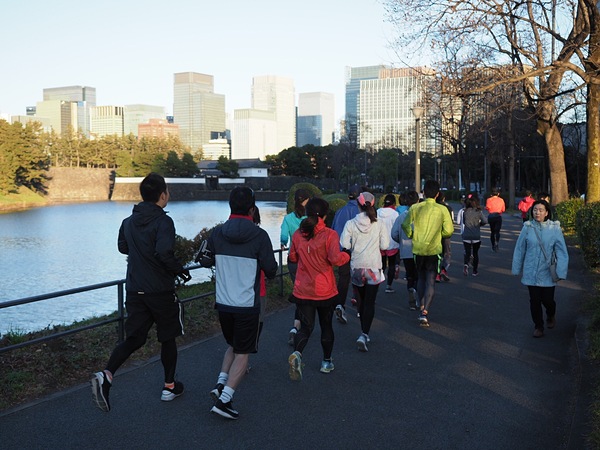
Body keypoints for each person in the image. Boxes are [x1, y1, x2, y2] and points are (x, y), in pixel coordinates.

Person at [91, 173, 190, 413]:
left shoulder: (128, 221)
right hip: (160, 290)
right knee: (167, 337)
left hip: (135, 289)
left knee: (134, 338)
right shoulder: (163, 221)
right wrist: (180, 270)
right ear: (163, 194)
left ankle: (107, 374)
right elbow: (164, 252)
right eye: (167, 191)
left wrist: (140, 252)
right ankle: (169, 386)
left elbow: (122, 247)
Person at [199, 186, 278, 420]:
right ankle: (225, 401)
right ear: (252, 209)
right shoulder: (259, 235)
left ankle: (221, 385)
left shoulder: (217, 233)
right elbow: (272, 270)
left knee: (233, 345)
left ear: (230, 206)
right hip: (247, 304)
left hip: (223, 303)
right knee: (243, 352)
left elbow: (204, 260)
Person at [287, 198, 350, 381]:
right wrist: (347, 255)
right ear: (324, 214)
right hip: (324, 290)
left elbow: (292, 256)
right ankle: (326, 362)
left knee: (306, 327)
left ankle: (297, 354)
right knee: (326, 326)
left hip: (303, 290)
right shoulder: (330, 235)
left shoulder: (299, 234)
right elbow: (335, 259)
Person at [340, 192, 390, 352]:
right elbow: (385, 246)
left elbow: (343, 244)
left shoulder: (350, 223)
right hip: (373, 267)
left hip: (357, 267)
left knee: (360, 300)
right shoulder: (379, 224)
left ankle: (363, 330)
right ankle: (364, 334)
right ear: (373, 204)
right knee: (370, 302)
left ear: (358, 204)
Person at [512, 200, 569, 337]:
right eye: (535, 210)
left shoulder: (554, 228)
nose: (537, 212)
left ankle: (550, 315)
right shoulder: (527, 227)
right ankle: (538, 326)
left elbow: (561, 251)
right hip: (531, 270)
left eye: (541, 210)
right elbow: (520, 249)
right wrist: (516, 268)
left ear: (547, 212)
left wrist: (561, 271)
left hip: (547, 271)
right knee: (535, 300)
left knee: (548, 300)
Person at [401, 180, 454, 327]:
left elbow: (405, 224)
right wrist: (440, 233)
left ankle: (421, 305)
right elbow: (449, 231)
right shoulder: (442, 210)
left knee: (420, 279)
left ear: (423, 192)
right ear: (437, 194)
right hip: (433, 249)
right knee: (431, 280)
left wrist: (412, 234)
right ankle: (425, 312)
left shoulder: (416, 208)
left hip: (418, 249)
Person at [280, 188, 311, 345]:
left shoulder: (288, 218)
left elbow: (284, 236)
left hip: (294, 260)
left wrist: (283, 243)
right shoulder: (310, 218)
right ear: (306, 201)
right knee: (307, 294)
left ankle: (295, 326)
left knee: (298, 292)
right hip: (309, 260)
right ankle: (300, 325)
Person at [331, 185, 361, 324]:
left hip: (341, 248)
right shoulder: (361, 212)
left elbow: (333, 230)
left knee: (343, 278)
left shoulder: (339, 211)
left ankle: (339, 304)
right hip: (357, 250)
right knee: (359, 278)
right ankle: (360, 308)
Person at [391, 190, 420, 310]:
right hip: (420, 250)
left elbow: (394, 234)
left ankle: (410, 291)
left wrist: (401, 241)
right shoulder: (422, 216)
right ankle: (418, 296)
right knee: (419, 274)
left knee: (410, 274)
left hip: (406, 250)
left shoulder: (401, 217)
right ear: (418, 201)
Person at [456, 194, 488, 277]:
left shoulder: (465, 212)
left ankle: (466, 265)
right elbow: (485, 221)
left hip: (466, 235)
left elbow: (463, 222)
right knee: (475, 253)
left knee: (467, 252)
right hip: (476, 235)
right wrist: (479, 224)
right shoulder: (479, 212)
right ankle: (475, 271)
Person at [377, 194, 400, 293]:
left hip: (380, 243)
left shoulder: (378, 212)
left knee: (381, 265)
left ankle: (376, 282)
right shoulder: (395, 214)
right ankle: (388, 285)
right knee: (391, 264)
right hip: (392, 243)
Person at [435, 192, 453, 282]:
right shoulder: (448, 208)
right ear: (444, 198)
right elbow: (451, 221)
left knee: (437, 254)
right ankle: (444, 269)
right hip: (445, 234)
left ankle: (437, 274)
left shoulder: (433, 208)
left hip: (434, 234)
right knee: (447, 253)